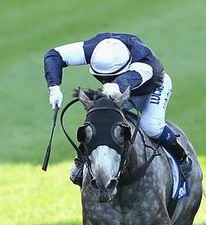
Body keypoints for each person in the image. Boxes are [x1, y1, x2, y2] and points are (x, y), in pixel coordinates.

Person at [44, 32, 193, 186]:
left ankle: (181, 156)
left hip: (153, 88)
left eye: (109, 77)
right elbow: (54, 55)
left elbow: (129, 78)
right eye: (102, 78)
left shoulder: (144, 62)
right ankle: (81, 159)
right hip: (119, 90)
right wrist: (54, 87)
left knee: (152, 126)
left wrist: (114, 86)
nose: (104, 81)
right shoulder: (95, 49)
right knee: (98, 115)